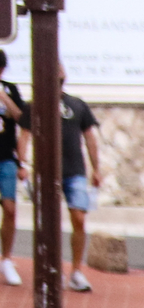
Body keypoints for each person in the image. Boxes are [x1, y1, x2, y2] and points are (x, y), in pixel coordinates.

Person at [59, 88, 100, 292]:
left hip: (75, 170)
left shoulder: (77, 104)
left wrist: (96, 169)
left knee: (79, 219)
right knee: (47, 223)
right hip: (49, 172)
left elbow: (90, 137)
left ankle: (76, 271)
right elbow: (25, 134)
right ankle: (51, 268)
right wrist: (22, 164)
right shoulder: (36, 104)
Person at [0, 53, 23, 287]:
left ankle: (6, 258)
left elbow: (20, 117)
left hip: (6, 157)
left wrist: (4, 98)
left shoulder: (10, 89)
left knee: (10, 208)